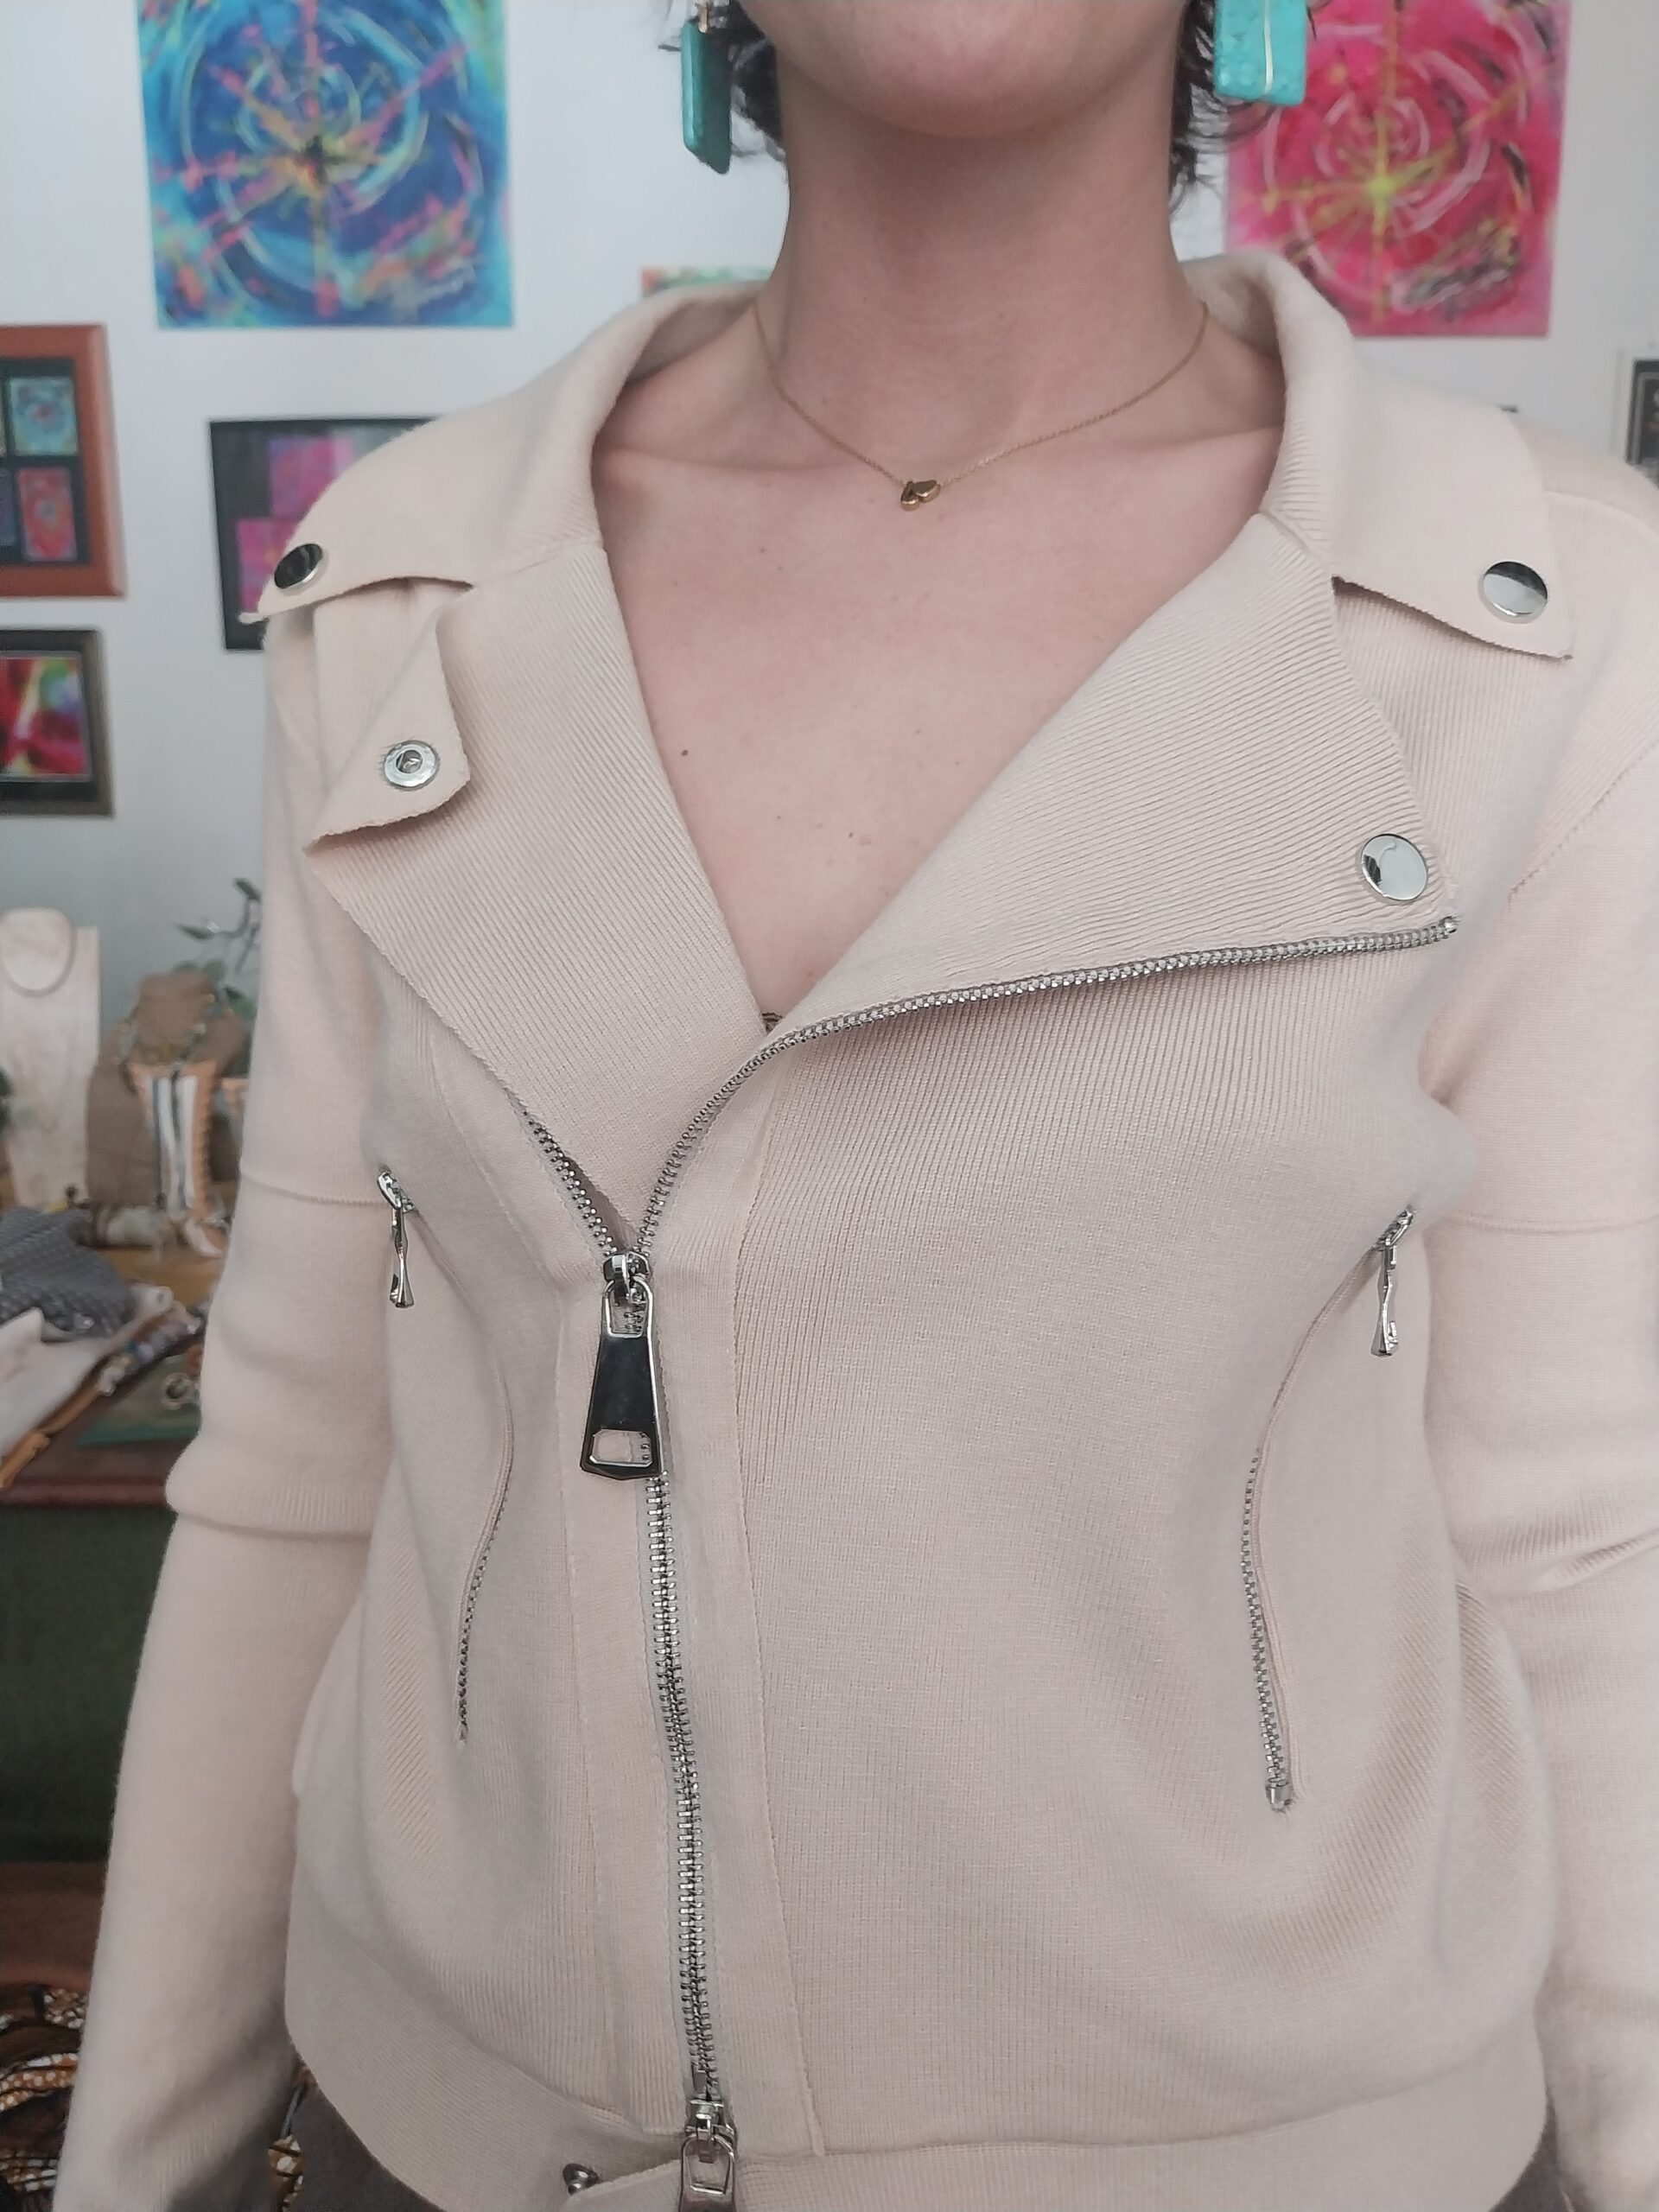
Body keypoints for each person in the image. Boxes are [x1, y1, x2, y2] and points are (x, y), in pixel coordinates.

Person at [55, 3, 1657, 2208]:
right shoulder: (406, 580)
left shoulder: (1549, 613)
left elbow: (1579, 1537)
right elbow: (303, 1463)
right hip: (444, 2140)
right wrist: (134, 2167)